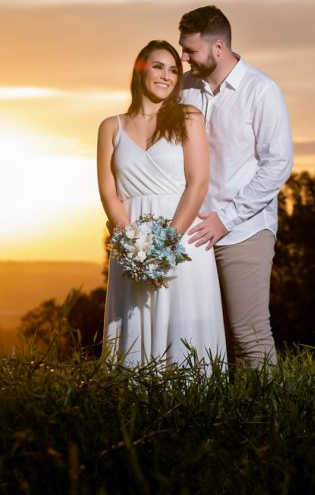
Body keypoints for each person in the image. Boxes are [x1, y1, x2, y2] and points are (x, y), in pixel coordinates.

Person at [97, 40, 226, 367]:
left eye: (173, 70)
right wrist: (132, 245)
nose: (167, 76)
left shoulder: (188, 117)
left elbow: (198, 183)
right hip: (131, 246)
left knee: (183, 331)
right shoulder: (110, 127)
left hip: (181, 240)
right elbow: (109, 193)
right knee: (134, 332)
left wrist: (166, 243)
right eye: (158, 67)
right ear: (140, 70)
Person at [177, 5, 293, 368]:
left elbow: (278, 164)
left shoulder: (261, 90)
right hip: (192, 232)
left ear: (218, 48)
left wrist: (226, 219)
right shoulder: (184, 88)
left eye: (190, 50)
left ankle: (269, 406)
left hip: (244, 231)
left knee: (249, 334)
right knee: (204, 336)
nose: (184, 58)